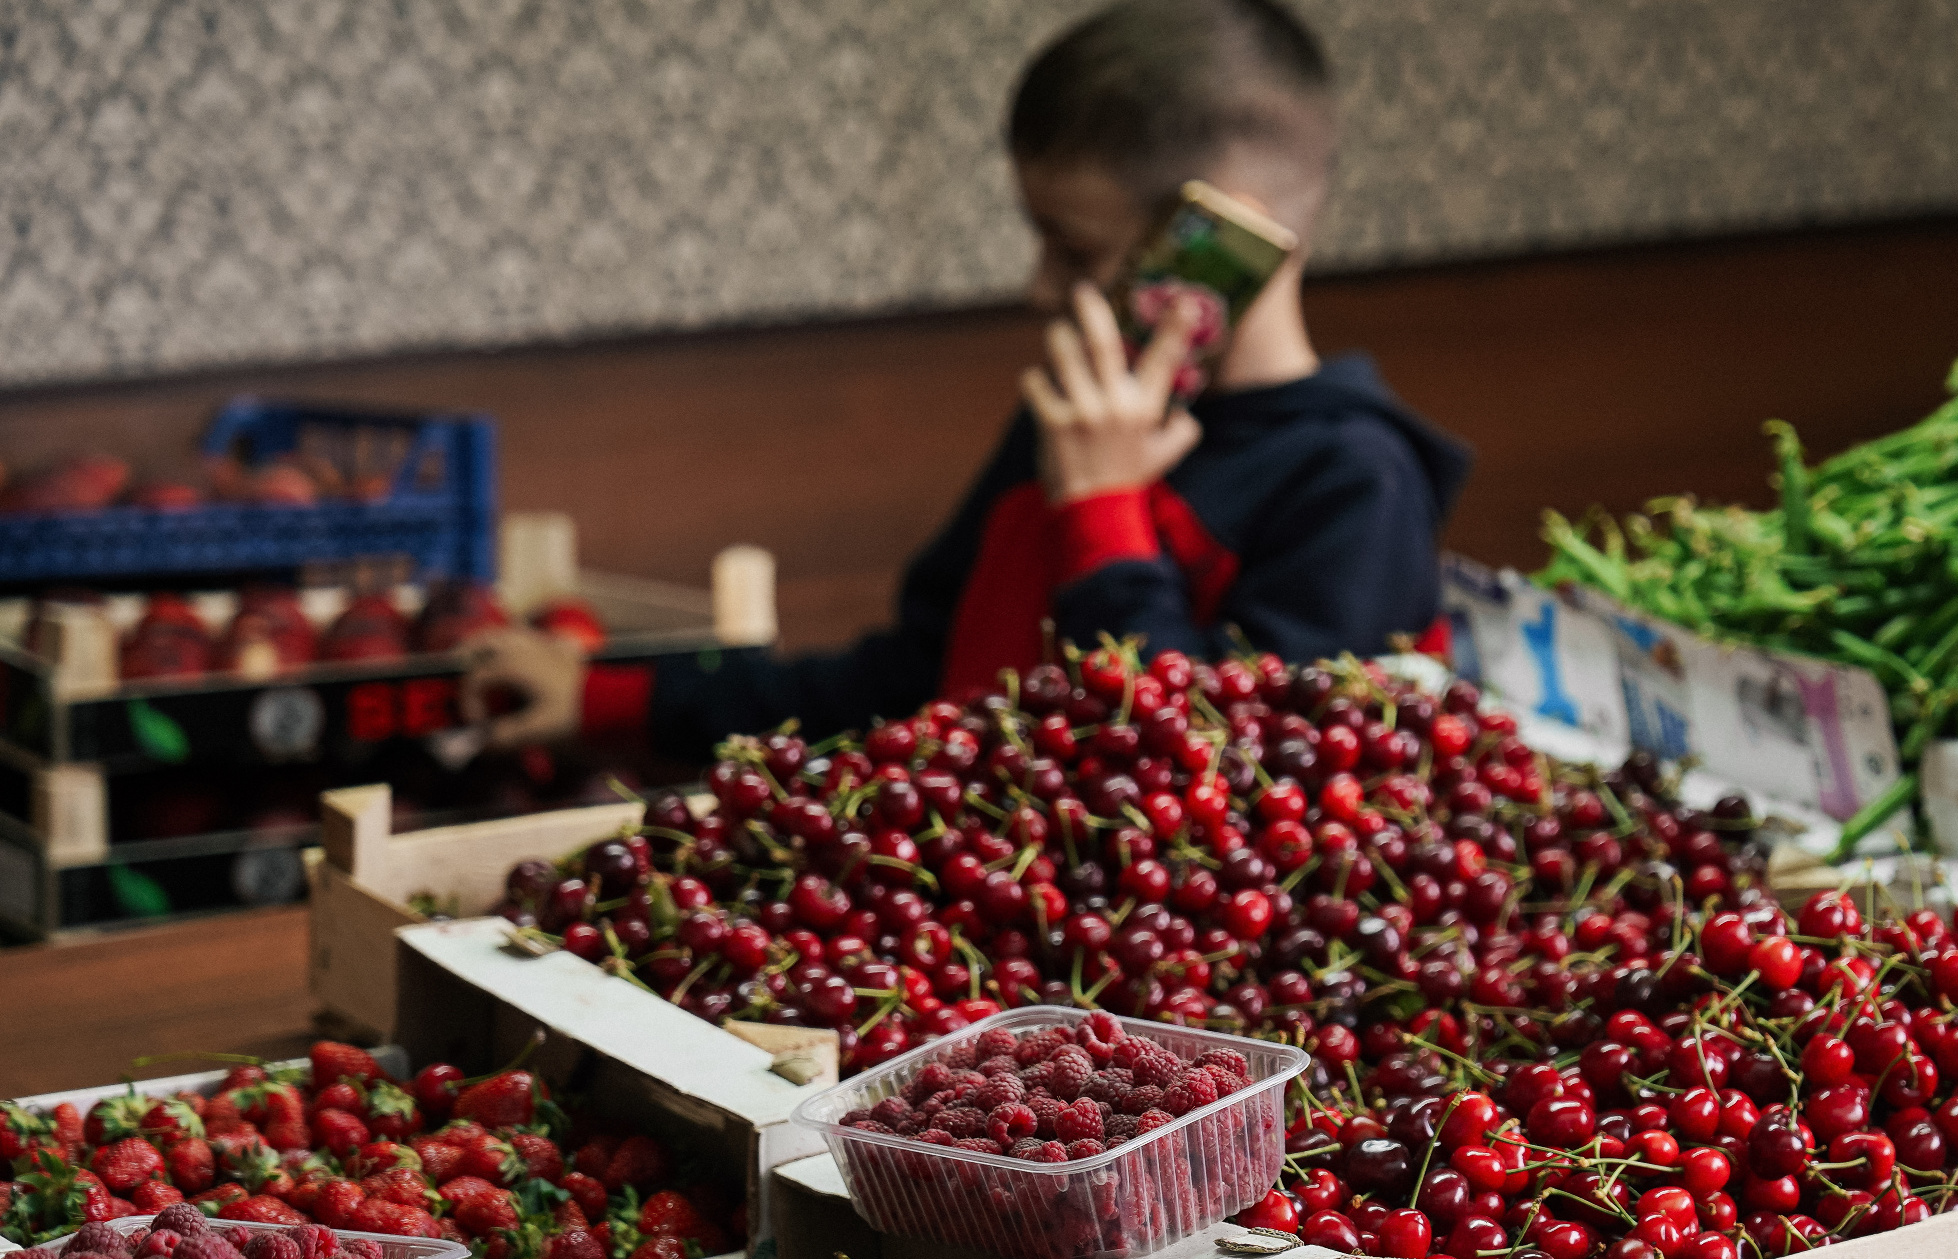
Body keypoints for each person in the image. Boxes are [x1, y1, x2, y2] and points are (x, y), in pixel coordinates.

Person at [463, 0, 1467, 754]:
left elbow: (1225, 775)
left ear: (1221, 237)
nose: (1039, 288)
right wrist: (614, 697)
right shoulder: (1066, 426)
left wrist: (1108, 515)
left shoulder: (1354, 483)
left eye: (1074, 251)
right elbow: (913, 678)